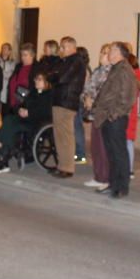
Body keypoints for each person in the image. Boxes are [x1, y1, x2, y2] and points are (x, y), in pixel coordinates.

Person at [91, 42, 137, 198]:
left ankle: (121, 187)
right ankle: (113, 184)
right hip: (107, 117)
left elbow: (127, 97)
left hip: (115, 118)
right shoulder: (115, 68)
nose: (108, 53)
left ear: (119, 53)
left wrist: (113, 115)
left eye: (111, 51)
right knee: (111, 153)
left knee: (119, 153)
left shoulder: (124, 70)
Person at [0, 72, 53, 173]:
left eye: (39, 79)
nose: (36, 81)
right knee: (8, 119)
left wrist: (29, 113)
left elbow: (45, 112)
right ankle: (0, 148)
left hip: (36, 123)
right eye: (36, 79)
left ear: (46, 82)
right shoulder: (33, 93)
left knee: (12, 128)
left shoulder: (49, 95)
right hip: (24, 119)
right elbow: (22, 104)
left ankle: (2, 155)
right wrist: (20, 110)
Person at [48, 37, 85, 179]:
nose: (61, 50)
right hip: (59, 100)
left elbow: (62, 77)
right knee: (59, 135)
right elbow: (50, 74)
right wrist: (54, 76)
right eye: (61, 47)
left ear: (72, 47)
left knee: (66, 136)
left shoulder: (76, 61)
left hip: (67, 102)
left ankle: (68, 168)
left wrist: (55, 76)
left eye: (64, 47)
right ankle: (61, 165)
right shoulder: (64, 61)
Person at [83, 44, 113, 190]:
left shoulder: (112, 73)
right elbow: (88, 87)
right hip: (94, 114)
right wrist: (86, 97)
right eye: (101, 52)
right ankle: (98, 175)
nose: (102, 55)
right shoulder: (97, 71)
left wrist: (93, 101)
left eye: (106, 53)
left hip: (103, 114)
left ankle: (104, 177)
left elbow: (105, 94)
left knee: (103, 147)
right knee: (95, 147)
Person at [73, 46, 91, 165]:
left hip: (79, 101)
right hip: (78, 100)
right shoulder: (83, 68)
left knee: (78, 127)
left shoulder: (84, 70)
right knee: (76, 127)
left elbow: (83, 87)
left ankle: (81, 155)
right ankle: (77, 153)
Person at [0, 43, 16, 119]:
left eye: (6, 48)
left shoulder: (13, 63)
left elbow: (10, 75)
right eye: (3, 48)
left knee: (5, 112)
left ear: (10, 51)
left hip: (7, 90)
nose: (4, 50)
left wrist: (2, 72)